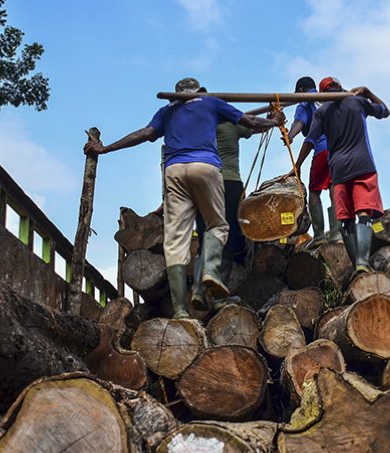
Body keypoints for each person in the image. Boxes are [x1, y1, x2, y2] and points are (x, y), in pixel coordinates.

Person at [84, 77, 282, 318]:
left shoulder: (166, 111)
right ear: (198, 91)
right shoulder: (212, 103)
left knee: (176, 242)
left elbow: (145, 134)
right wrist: (274, 121)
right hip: (206, 168)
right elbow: (250, 122)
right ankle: (210, 272)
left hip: (174, 170)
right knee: (218, 226)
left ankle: (180, 311)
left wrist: (106, 149)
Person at [290, 76, 390, 273]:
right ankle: (362, 262)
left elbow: (310, 139)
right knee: (363, 212)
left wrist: (297, 164)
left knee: (345, 217)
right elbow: (384, 111)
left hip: (338, 169)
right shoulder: (357, 102)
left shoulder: (322, 112)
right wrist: (367, 92)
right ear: (340, 87)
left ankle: (343, 254)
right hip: (363, 166)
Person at [190, 116, 258, 311]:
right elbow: (253, 128)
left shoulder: (193, 129)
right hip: (227, 182)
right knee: (226, 236)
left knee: (205, 236)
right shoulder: (231, 125)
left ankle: (197, 290)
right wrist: (272, 119)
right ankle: (218, 296)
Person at [285, 76, 341, 245]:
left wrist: (290, 136)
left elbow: (299, 122)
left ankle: (318, 236)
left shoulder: (305, 102)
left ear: (301, 91)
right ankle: (336, 234)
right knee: (333, 187)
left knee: (315, 191)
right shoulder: (327, 99)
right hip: (340, 150)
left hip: (322, 150)